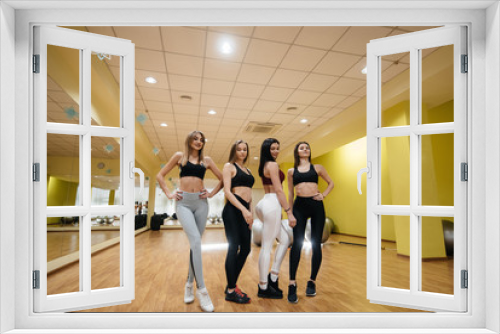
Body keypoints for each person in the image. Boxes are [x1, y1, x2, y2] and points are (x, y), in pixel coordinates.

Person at [156, 130, 223, 312]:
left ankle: (188, 284)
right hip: (183, 203)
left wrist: (211, 193)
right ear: (189, 140)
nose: (199, 142)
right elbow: (160, 175)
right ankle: (201, 290)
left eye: (202, 139)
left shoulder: (207, 161)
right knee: (195, 242)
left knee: (195, 245)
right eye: (196, 139)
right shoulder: (180, 157)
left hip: (201, 204)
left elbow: (223, 179)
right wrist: (170, 193)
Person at [286, 141, 334, 303]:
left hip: (316, 205)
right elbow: (290, 193)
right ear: (297, 152)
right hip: (299, 206)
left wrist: (324, 195)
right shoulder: (291, 171)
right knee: (297, 245)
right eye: (302, 148)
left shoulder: (318, 168)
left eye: (307, 147)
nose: (305, 149)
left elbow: (331, 183)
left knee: (315, 244)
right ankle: (292, 283)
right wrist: (290, 213)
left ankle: (312, 282)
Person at [255, 138, 296, 299]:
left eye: (278, 148)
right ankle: (263, 286)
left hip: (265, 203)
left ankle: (273, 277)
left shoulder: (264, 165)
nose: (276, 151)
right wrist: (289, 212)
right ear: (266, 149)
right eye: (273, 148)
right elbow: (279, 190)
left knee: (284, 240)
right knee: (266, 246)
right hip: (272, 203)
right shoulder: (272, 165)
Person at [221, 140, 254, 304]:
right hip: (233, 211)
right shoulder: (229, 166)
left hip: (246, 211)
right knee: (234, 248)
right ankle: (232, 290)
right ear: (234, 151)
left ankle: (231, 285)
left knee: (246, 248)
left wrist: (251, 214)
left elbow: (250, 195)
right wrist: (243, 209)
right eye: (239, 149)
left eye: (244, 149)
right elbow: (227, 191)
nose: (242, 152)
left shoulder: (248, 170)